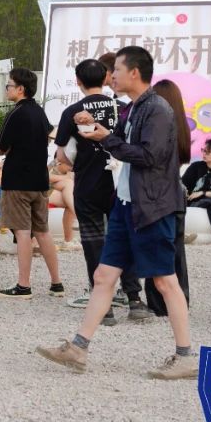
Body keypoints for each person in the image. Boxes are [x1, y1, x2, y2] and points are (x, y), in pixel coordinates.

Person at [36, 46, 196, 379]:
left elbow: (147, 156)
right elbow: (121, 141)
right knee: (104, 276)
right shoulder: (135, 107)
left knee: (165, 281)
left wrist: (106, 137)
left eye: (118, 70)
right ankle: (78, 348)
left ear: (134, 72)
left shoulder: (157, 109)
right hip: (126, 204)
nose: (112, 76)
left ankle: (185, 356)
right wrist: (97, 128)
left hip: (151, 207)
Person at [55, 58, 147, 323]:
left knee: (94, 242)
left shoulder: (72, 111)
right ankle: (134, 299)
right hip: (122, 184)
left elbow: (62, 155)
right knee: (125, 238)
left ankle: (104, 306)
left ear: (78, 81)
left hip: (88, 184)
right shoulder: (123, 108)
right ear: (106, 78)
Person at [0, 68, 63, 299]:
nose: (7, 89)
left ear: (20, 89)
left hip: (17, 181)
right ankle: (56, 283)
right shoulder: (39, 112)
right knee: (42, 232)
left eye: (9, 85)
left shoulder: (15, 114)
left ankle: (23, 285)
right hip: (40, 181)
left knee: (23, 232)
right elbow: (50, 135)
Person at [142, 79, 193, 316]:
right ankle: (180, 299)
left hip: (158, 194)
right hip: (177, 191)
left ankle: (158, 302)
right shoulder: (182, 127)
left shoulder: (157, 125)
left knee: (156, 248)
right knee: (176, 249)